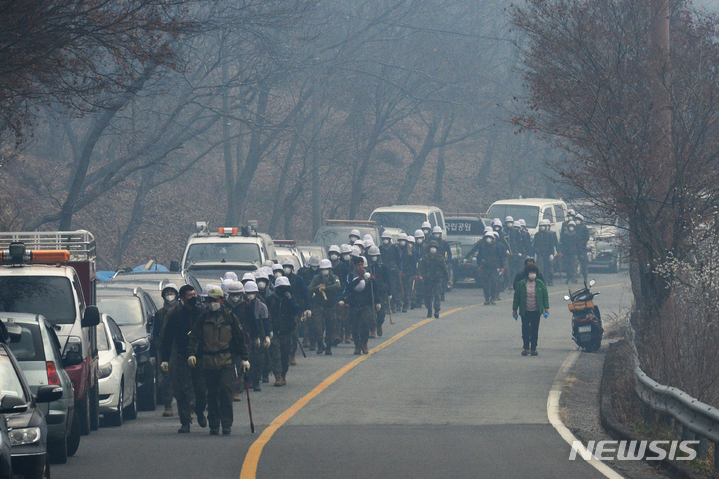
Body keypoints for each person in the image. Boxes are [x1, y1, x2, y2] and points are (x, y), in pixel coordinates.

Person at [187, 287, 249, 436]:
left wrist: (244, 358)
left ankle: (226, 423)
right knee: (212, 393)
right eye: (210, 300)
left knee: (226, 391)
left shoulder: (230, 318)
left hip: (226, 360)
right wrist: (191, 354)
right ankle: (214, 424)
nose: (212, 303)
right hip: (208, 360)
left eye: (215, 300)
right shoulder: (203, 318)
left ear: (222, 300)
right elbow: (194, 337)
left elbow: (240, 339)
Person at [161, 285, 207, 433]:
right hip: (182, 357)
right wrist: (165, 359)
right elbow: (167, 338)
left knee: (201, 390)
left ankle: (199, 412)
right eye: (189, 296)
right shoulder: (175, 315)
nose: (193, 298)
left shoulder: (202, 314)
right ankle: (185, 421)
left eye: (194, 294)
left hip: (200, 357)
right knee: (183, 391)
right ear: (182, 298)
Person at [236, 281, 270, 392]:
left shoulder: (261, 306)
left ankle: (256, 381)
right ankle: (248, 380)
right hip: (246, 335)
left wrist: (265, 336)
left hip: (258, 335)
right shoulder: (243, 306)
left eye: (252, 293)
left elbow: (265, 322)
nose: (250, 295)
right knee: (247, 359)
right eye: (248, 293)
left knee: (258, 359)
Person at [343, 256, 379, 355]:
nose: (360, 267)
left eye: (362, 265)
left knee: (365, 325)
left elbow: (375, 288)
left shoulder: (367, 275)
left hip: (365, 304)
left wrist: (377, 301)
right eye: (358, 265)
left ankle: (364, 344)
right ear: (355, 266)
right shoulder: (350, 275)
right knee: (354, 326)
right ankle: (357, 345)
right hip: (354, 304)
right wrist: (358, 279)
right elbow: (348, 286)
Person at [152, 283, 178, 417]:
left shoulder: (182, 311)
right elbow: (155, 334)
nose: (169, 296)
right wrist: (156, 350)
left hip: (180, 350)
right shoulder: (160, 314)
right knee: (166, 379)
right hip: (165, 352)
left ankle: (186, 406)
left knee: (182, 379)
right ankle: (168, 405)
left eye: (171, 293)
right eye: (167, 293)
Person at [267, 276, 299, 386]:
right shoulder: (270, 298)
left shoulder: (290, 298)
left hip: (287, 331)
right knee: (275, 355)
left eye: (285, 287)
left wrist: (290, 300)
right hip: (275, 331)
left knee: (285, 355)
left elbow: (295, 310)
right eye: (281, 287)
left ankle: (284, 374)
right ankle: (278, 376)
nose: (283, 290)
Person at [512, 265, 549, 356]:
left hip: (536, 310)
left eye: (534, 272)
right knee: (525, 329)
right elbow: (516, 297)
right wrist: (514, 309)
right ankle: (526, 348)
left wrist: (546, 308)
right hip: (525, 310)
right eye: (531, 272)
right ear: (527, 274)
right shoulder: (521, 284)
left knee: (534, 330)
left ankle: (533, 348)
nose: (532, 274)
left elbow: (545, 296)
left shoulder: (540, 283)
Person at [308, 259, 341, 355]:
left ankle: (328, 346)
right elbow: (309, 289)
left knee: (330, 325)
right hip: (318, 305)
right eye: (323, 269)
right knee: (316, 325)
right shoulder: (316, 278)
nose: (324, 271)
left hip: (330, 306)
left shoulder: (334, 277)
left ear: (330, 269)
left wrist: (326, 288)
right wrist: (318, 288)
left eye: (326, 269)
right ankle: (320, 344)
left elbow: (338, 286)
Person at [280, 258, 310, 362]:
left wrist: (307, 308)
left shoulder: (298, 279)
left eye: (288, 266)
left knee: (294, 333)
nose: (286, 269)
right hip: (281, 312)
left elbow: (305, 294)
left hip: (295, 311)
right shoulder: (278, 280)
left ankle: (292, 354)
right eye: (284, 266)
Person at [465, 231, 501, 305]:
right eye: (487, 237)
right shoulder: (482, 246)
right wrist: (480, 265)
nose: (488, 239)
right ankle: (487, 298)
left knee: (494, 282)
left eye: (490, 237)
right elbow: (479, 256)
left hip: (494, 268)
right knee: (486, 284)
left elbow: (501, 257)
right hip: (485, 268)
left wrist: (501, 267)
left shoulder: (496, 247)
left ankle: (493, 298)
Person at [224, 281, 246, 400]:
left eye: (238, 294)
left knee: (240, 366)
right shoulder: (224, 307)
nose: (235, 297)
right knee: (229, 367)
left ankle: (237, 389)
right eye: (233, 294)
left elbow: (252, 323)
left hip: (240, 341)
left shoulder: (245, 306)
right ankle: (230, 390)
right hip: (226, 341)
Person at [418, 240, 449, 318]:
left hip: (437, 279)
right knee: (428, 296)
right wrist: (420, 275)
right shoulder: (425, 258)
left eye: (434, 247)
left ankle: (437, 311)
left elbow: (444, 269)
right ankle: (429, 310)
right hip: (427, 280)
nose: (433, 249)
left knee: (437, 295)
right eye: (432, 247)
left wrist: (447, 279)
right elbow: (421, 268)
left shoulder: (440, 258)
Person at [366, 246, 391, 337]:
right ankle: (373, 328)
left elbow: (387, 280)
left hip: (381, 293)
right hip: (370, 292)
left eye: (375, 255)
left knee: (381, 313)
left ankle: (379, 324)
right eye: (372, 256)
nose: (374, 258)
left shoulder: (383, 266)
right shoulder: (367, 268)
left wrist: (389, 293)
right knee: (370, 312)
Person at [379, 231, 401, 313]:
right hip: (384, 271)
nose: (385, 240)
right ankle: (386, 307)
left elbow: (398, 259)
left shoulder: (394, 248)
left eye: (386, 239)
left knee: (393, 289)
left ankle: (393, 304)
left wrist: (399, 269)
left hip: (393, 271)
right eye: (384, 239)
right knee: (385, 288)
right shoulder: (380, 248)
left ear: (389, 239)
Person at [397, 233, 415, 312]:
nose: (402, 242)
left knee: (407, 289)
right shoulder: (396, 249)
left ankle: (406, 304)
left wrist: (412, 273)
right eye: (401, 240)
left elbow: (413, 263)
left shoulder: (410, 251)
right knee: (398, 289)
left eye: (403, 241)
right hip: (398, 272)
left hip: (408, 273)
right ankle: (398, 304)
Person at [575, 213, 590, 283]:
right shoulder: (573, 227)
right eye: (576, 219)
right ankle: (573, 277)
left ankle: (585, 277)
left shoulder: (584, 228)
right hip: (575, 247)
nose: (577, 221)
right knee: (573, 263)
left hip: (582, 248)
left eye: (578, 219)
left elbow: (587, 237)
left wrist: (583, 243)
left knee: (583, 262)